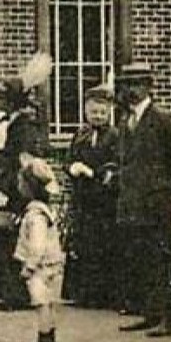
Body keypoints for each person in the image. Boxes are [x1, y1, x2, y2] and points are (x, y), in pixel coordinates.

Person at [114, 63, 171, 337]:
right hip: (134, 203)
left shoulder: (163, 120)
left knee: (163, 258)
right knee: (142, 259)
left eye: (135, 83)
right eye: (126, 84)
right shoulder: (126, 121)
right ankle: (150, 312)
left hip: (155, 203)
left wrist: (166, 193)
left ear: (148, 86)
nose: (129, 90)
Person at [0, 79, 45, 309]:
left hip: (13, 192)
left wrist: (5, 189)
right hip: (2, 188)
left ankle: (16, 295)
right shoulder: (9, 123)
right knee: (2, 239)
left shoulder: (23, 126)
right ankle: (6, 292)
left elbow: (20, 163)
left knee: (12, 241)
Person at [62, 85, 122, 309]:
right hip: (83, 197)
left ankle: (105, 294)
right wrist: (71, 167)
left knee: (103, 244)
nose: (97, 116)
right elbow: (68, 159)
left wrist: (94, 173)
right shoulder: (80, 134)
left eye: (102, 112)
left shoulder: (114, 136)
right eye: (93, 112)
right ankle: (82, 293)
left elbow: (115, 166)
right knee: (82, 243)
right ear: (86, 112)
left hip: (103, 199)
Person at [15, 152, 67, 342]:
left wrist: (29, 265)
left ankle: (45, 340)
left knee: (40, 302)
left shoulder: (35, 216)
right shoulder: (40, 211)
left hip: (41, 267)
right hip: (50, 264)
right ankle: (49, 339)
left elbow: (37, 245)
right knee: (46, 302)